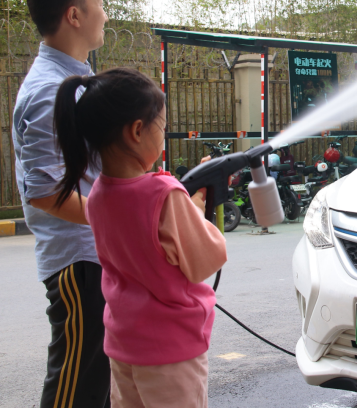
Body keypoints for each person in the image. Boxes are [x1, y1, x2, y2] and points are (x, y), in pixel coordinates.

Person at [53, 67, 227, 407]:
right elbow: (207, 258)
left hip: (123, 347)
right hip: (171, 353)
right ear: (136, 131)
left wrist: (187, 200)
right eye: (161, 127)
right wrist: (197, 203)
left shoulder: (98, 194)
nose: (163, 136)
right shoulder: (164, 193)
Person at [12, 0, 110, 407]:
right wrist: (118, 217)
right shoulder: (49, 90)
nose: (106, 15)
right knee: (75, 384)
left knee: (98, 382)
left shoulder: (74, 80)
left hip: (95, 254)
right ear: (75, 15)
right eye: (100, 4)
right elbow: (45, 192)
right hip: (79, 261)